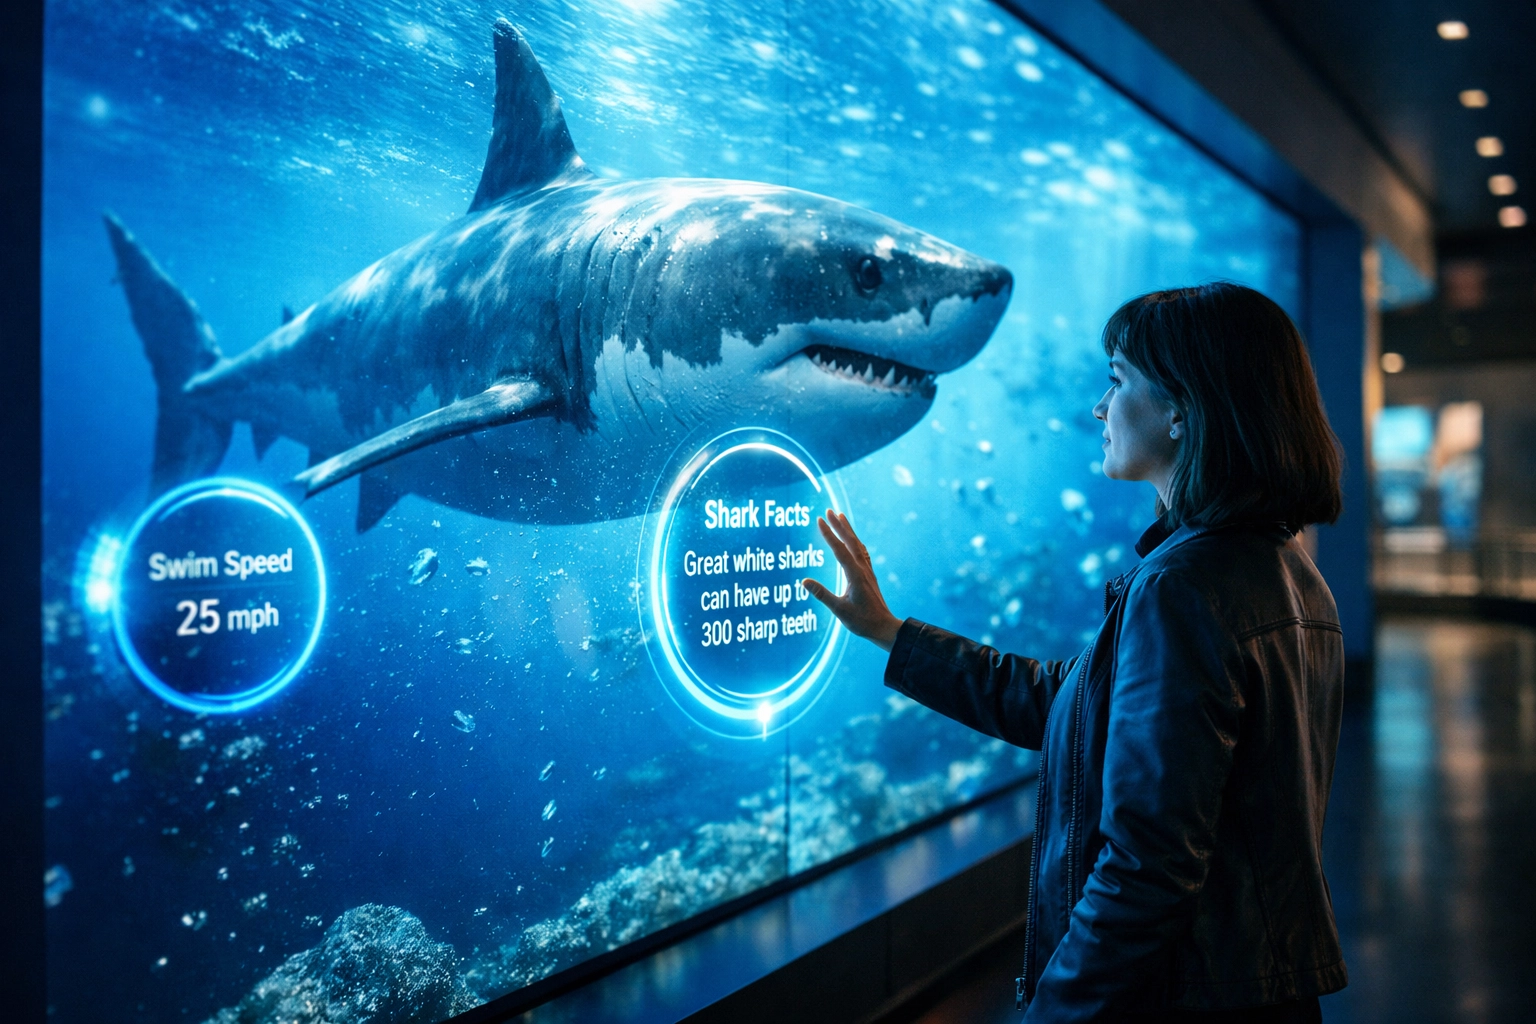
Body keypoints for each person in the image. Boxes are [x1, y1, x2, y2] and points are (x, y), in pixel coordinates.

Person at [804, 283, 1348, 1022]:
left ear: (1183, 407)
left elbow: (1149, 867)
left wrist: (1052, 1013)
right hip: (1257, 988)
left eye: (1118, 379)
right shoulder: (1286, 568)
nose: (1099, 407)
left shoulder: (1181, 588)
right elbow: (1075, 701)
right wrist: (891, 634)